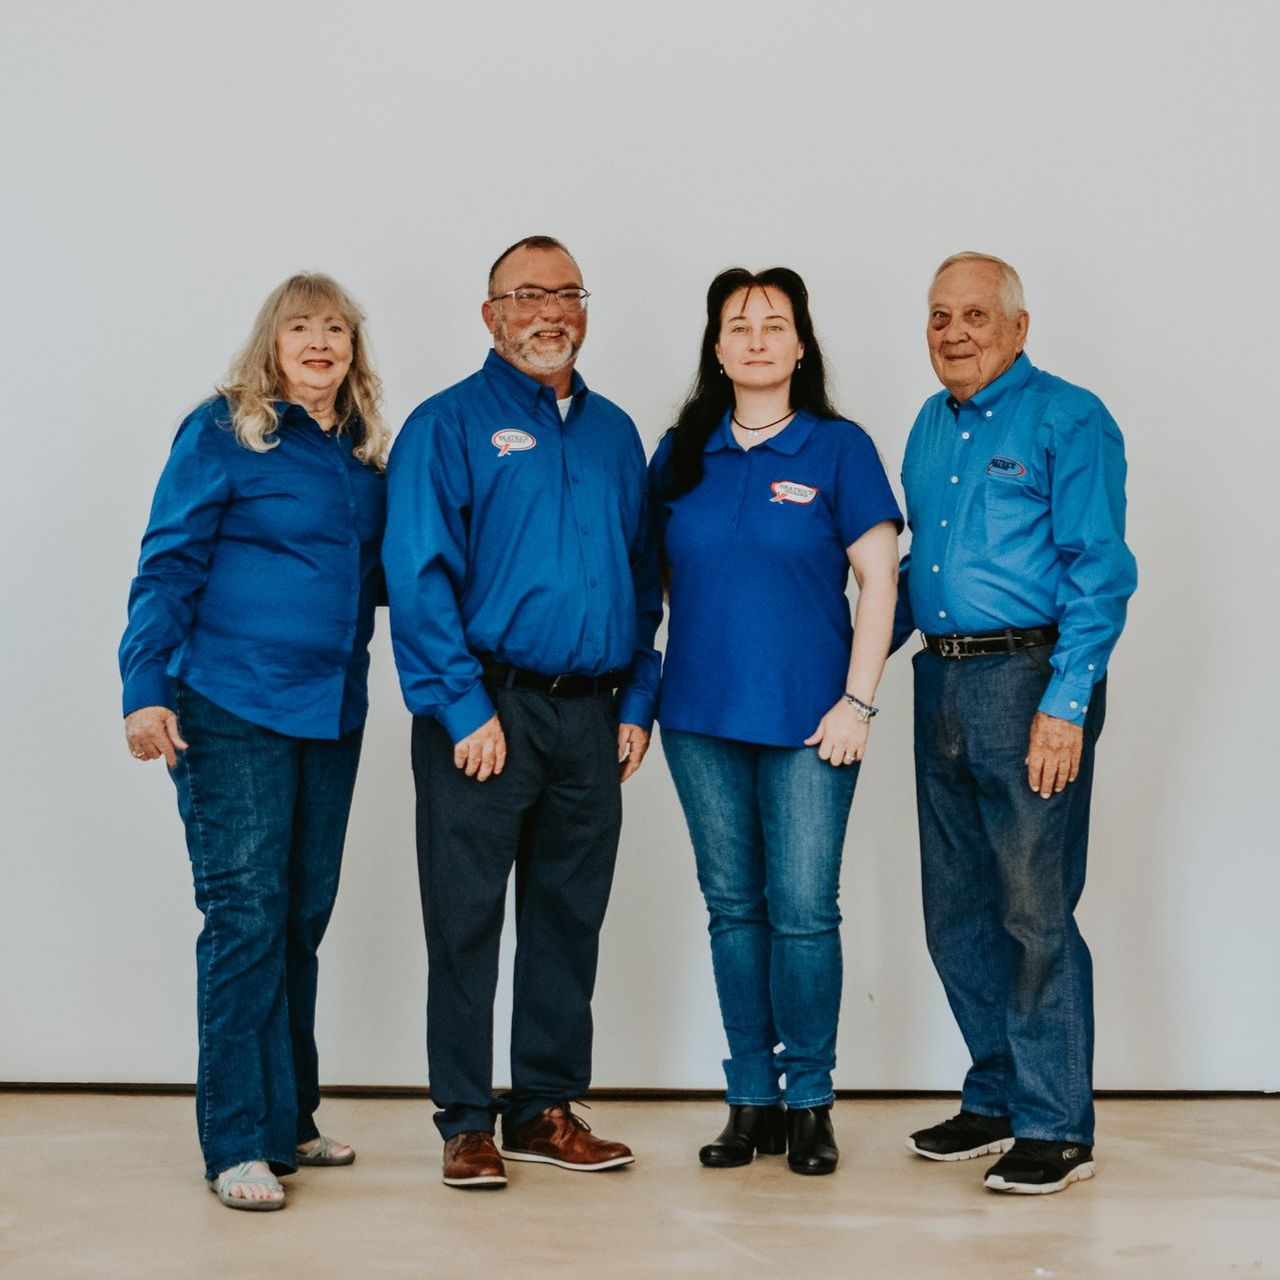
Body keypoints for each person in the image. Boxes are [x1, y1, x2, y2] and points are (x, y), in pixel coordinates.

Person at [382, 235, 661, 1190]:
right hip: (484, 711)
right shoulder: (446, 425)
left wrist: (639, 698)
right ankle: (466, 1121)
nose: (550, 311)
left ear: (586, 310)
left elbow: (645, 576)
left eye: (567, 293)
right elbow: (416, 578)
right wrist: (461, 708)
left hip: (591, 717)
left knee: (566, 917)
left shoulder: (617, 433)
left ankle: (544, 1107)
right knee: (465, 921)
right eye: (527, 294)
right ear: (491, 313)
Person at [119, 273, 389, 1210]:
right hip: (229, 706)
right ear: (271, 343)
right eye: (301, 328)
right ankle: (237, 1140)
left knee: (299, 919)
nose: (320, 343)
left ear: (354, 351)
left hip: (332, 713)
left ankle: (291, 1119)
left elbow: (387, 582)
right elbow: (168, 561)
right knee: (244, 917)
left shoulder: (361, 458)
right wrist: (143, 688)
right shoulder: (222, 432)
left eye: (337, 331)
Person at [650, 267, 902, 1176]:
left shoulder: (840, 449)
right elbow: (660, 589)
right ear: (716, 349)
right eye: (738, 325)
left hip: (813, 723)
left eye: (775, 324)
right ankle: (749, 1099)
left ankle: (811, 1103)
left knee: (802, 914)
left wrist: (858, 701)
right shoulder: (680, 454)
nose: (756, 338)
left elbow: (880, 581)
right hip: (701, 720)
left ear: (801, 346)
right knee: (733, 913)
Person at [898, 252, 1137, 1194]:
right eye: (938, 316)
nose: (954, 333)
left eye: (974, 317)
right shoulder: (928, 423)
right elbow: (924, 566)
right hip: (940, 683)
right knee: (954, 912)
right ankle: (995, 1098)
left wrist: (1065, 706)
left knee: (1034, 911)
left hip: (1030, 683)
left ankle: (1055, 1125)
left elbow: (1099, 570)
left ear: (1018, 327)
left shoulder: (1070, 418)